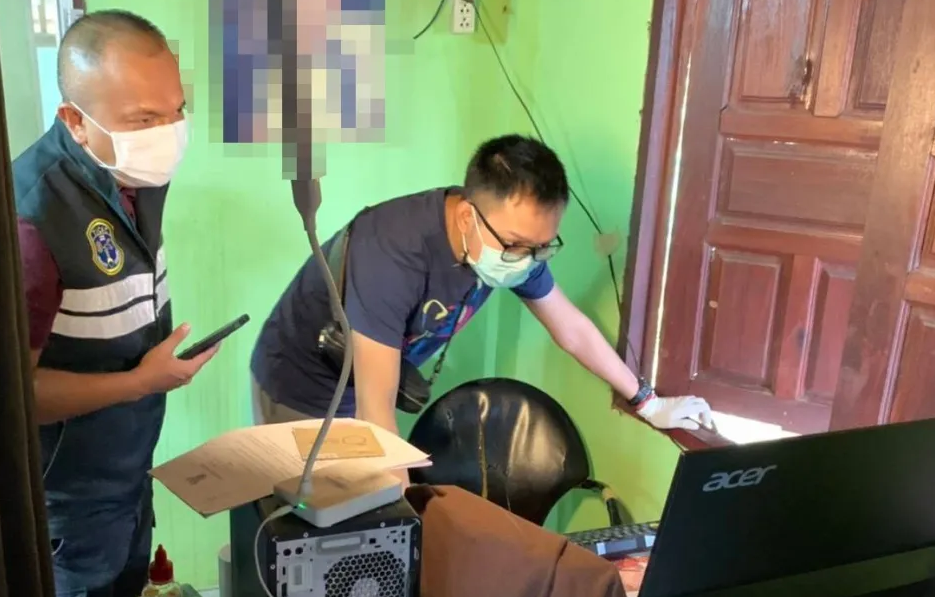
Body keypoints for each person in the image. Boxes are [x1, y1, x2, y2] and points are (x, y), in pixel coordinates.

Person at [14, 10, 215, 597]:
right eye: (141, 118)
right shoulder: (32, 218)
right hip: (65, 499)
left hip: (126, 476)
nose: (167, 131)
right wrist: (142, 381)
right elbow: (11, 392)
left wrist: (153, 375)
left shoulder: (133, 179)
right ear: (75, 118)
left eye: (175, 109)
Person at [250, 135, 713, 448]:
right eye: (515, 245)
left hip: (364, 382)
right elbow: (376, 408)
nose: (526, 260)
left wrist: (647, 402)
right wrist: (401, 517)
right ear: (467, 216)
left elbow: (571, 329)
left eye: (541, 247)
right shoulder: (392, 251)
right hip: (302, 386)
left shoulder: (509, 246)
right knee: (317, 535)